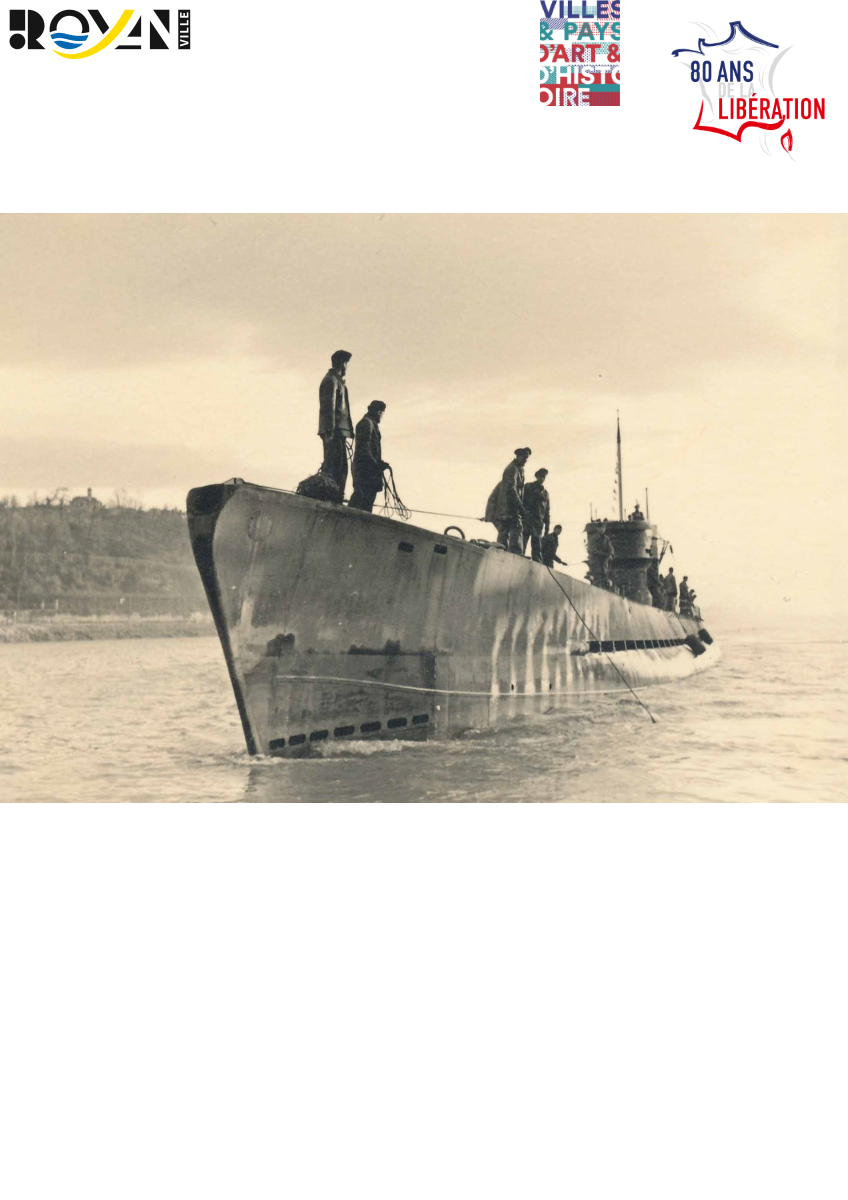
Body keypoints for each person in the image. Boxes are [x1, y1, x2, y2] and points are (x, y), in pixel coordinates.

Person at [318, 350, 353, 496]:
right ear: (340, 363)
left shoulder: (337, 381)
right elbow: (328, 409)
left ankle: (335, 498)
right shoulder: (331, 381)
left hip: (338, 432)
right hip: (334, 433)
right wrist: (330, 433)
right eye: (346, 363)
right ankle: (333, 499)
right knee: (335, 470)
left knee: (340, 470)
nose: (346, 367)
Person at [484, 448, 531, 554]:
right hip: (510, 508)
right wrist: (520, 507)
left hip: (511, 508)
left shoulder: (519, 470)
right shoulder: (512, 469)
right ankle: (515, 554)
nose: (525, 460)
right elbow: (511, 490)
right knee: (515, 529)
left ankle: (503, 552)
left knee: (505, 533)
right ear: (518, 456)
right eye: (524, 458)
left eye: (527, 458)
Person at [349, 401, 389, 513]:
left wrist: (379, 463)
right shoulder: (366, 424)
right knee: (361, 503)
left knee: (365, 505)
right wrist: (377, 464)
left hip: (369, 474)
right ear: (379, 412)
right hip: (365, 473)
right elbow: (364, 450)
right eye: (382, 413)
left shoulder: (370, 424)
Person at [522, 468, 551, 562]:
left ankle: (537, 563)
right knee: (522, 541)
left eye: (544, 477)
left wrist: (547, 527)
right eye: (540, 476)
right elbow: (520, 501)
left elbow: (547, 511)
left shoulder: (546, 494)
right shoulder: (528, 487)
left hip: (538, 522)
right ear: (536, 476)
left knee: (537, 546)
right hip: (526, 519)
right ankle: (518, 556)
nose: (542, 478)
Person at [595, 523, 614, 588]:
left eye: (604, 528)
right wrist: (605, 554)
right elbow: (593, 550)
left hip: (604, 562)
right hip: (597, 561)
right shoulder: (594, 538)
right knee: (598, 577)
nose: (603, 530)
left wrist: (611, 554)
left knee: (605, 575)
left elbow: (610, 547)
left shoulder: (606, 538)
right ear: (597, 529)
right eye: (602, 528)